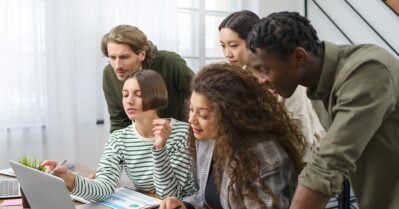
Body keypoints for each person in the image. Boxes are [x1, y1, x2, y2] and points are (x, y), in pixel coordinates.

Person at [246, 11, 399, 209]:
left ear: (298, 57)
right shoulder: (318, 86)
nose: (260, 81)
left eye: (263, 69)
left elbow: (331, 161)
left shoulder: (368, 70)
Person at [159, 63, 306, 209]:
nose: (191, 119)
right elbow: (207, 198)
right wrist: (185, 205)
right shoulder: (209, 139)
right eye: (191, 110)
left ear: (231, 115)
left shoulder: (264, 157)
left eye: (203, 114)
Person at [43, 70, 197, 201]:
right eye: (125, 95)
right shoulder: (119, 139)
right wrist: (67, 178)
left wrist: (159, 148)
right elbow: (103, 187)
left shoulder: (182, 133)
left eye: (138, 94)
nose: (129, 101)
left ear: (157, 96)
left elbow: (169, 195)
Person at [218, 10, 324, 156]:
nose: (227, 53)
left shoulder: (284, 77)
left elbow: (302, 138)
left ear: (252, 42)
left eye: (234, 45)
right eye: (223, 46)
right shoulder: (238, 77)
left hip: (303, 162)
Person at [102, 24, 194, 133]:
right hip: (141, 141)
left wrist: (186, 131)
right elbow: (118, 122)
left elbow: (199, 95)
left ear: (142, 54)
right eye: (112, 57)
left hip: (181, 135)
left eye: (124, 57)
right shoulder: (109, 74)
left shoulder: (170, 63)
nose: (117, 66)